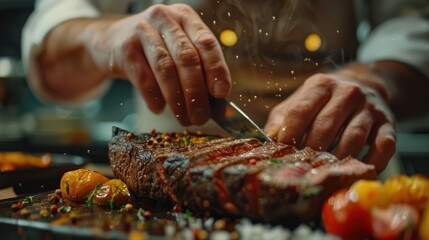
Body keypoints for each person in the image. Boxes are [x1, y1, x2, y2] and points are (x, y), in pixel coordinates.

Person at [22, 0, 429, 173]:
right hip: (169, 187)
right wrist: (105, 38)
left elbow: (413, 21)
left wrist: (369, 79)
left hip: (347, 168)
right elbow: (53, 46)